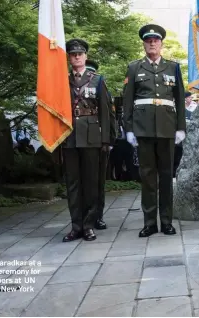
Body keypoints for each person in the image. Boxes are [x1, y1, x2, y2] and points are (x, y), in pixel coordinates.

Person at [123, 24, 186, 237]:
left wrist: (180, 127)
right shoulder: (134, 68)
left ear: (161, 43)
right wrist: (129, 129)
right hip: (144, 129)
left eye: (155, 40)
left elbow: (179, 98)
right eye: (148, 40)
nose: (152, 43)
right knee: (148, 177)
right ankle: (150, 222)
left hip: (167, 129)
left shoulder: (173, 67)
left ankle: (166, 221)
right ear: (144, 44)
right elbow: (128, 100)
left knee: (167, 176)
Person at [62, 39, 116, 242]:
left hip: (92, 135)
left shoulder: (97, 80)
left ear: (85, 56)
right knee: (73, 184)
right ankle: (75, 226)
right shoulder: (62, 80)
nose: (76, 56)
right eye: (73, 54)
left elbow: (104, 111)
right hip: (69, 136)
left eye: (80, 53)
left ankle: (88, 225)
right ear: (69, 57)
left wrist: (105, 140)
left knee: (91, 183)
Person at [85, 59, 114, 230]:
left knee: (98, 182)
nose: (90, 76)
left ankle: (98, 216)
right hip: (82, 139)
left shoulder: (103, 90)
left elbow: (110, 116)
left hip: (100, 141)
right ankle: (85, 216)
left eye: (92, 73)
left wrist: (110, 140)